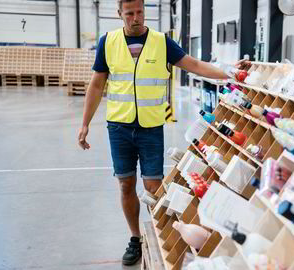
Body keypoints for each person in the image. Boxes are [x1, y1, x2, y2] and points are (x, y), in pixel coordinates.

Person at [77, 0, 250, 266]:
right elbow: (97, 84)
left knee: (154, 187)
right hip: (119, 128)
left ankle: (160, 234)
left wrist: (228, 73)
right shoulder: (107, 42)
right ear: (119, 13)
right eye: (130, 13)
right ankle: (135, 238)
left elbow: (194, 64)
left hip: (150, 128)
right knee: (125, 185)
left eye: (140, 12)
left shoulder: (161, 41)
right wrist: (85, 122)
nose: (136, 18)